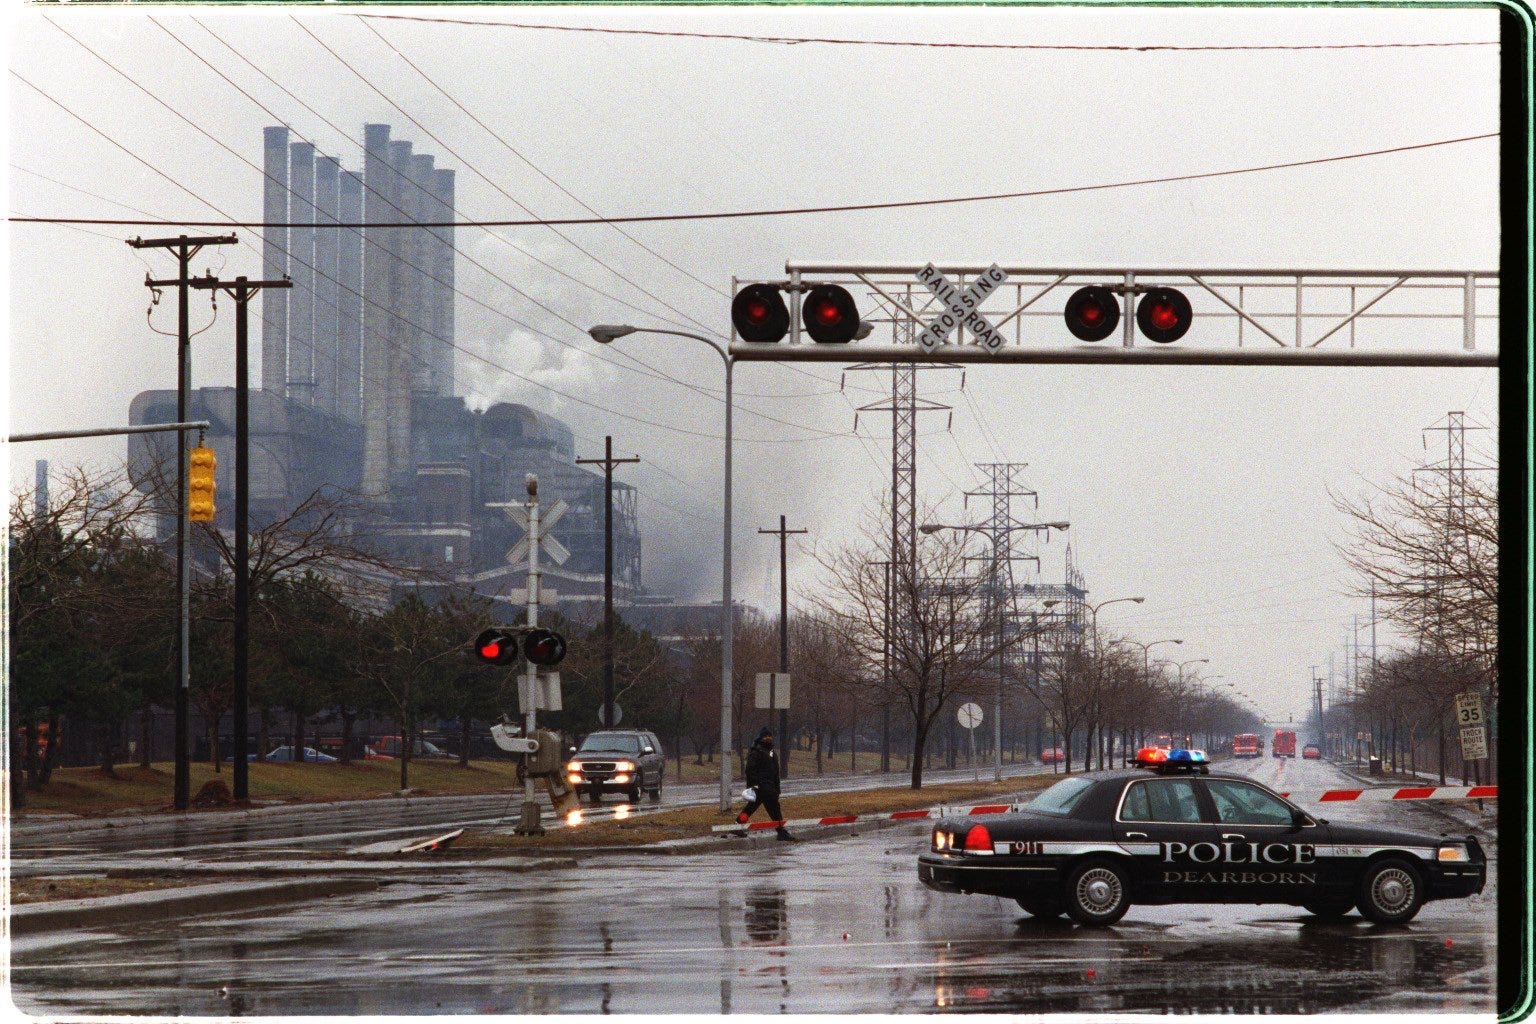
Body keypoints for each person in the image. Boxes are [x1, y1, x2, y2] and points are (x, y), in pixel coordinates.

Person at [738, 726, 795, 841]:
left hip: (770, 787)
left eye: (770, 736)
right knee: (773, 809)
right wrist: (753, 786)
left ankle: (737, 825)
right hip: (761, 787)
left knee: (754, 807)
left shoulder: (772, 752)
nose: (768, 738)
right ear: (761, 737)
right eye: (765, 736)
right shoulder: (756, 751)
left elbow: (775, 772)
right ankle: (781, 831)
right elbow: (750, 770)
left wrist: (777, 788)